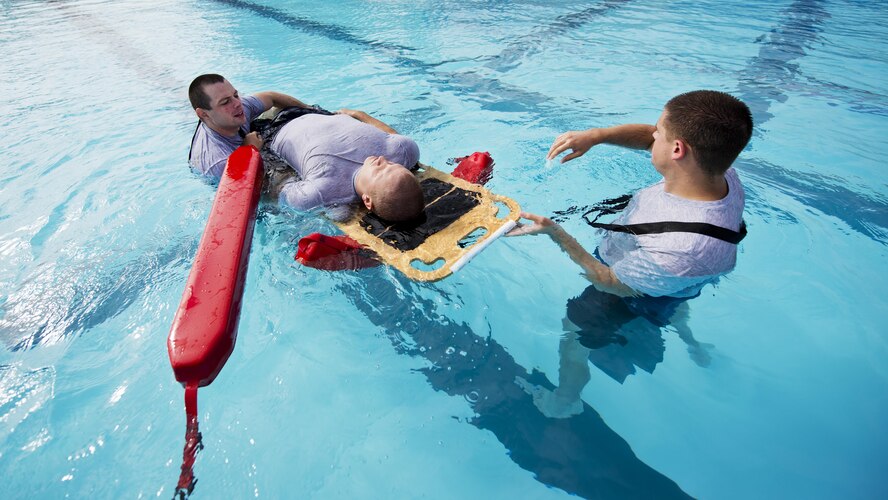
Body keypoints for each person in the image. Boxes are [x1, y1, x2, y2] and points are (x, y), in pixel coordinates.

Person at [510, 90, 752, 417]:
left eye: (659, 132)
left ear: (678, 149)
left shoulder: (681, 250)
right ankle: (688, 336)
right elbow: (658, 141)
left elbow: (609, 282)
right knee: (675, 295)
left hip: (629, 290)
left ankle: (566, 400)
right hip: (673, 278)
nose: (652, 136)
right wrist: (597, 136)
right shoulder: (720, 175)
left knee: (574, 337)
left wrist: (557, 234)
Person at [188, 74, 423, 221]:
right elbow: (246, 199)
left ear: (368, 201)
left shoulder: (321, 191)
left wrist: (252, 152)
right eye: (226, 102)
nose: (382, 160)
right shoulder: (216, 163)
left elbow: (278, 196)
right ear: (203, 114)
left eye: (235, 96)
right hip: (286, 125)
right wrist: (358, 115)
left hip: (280, 132)